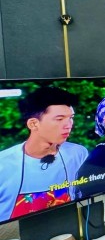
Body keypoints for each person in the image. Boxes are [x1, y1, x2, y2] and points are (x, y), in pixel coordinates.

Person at [0, 87, 88, 223]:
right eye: (59, 119)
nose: (69, 125)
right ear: (33, 124)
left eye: (71, 118)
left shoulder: (78, 153)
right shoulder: (3, 163)